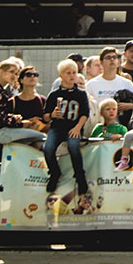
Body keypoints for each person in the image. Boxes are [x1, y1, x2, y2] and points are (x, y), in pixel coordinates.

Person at [42, 59, 93, 210]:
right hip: (57, 128)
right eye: (68, 73)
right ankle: (55, 172)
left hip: (74, 127)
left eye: (74, 73)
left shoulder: (81, 93)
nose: (71, 76)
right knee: (48, 148)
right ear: (61, 75)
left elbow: (85, 114)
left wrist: (78, 128)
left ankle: (80, 176)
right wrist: (52, 115)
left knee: (73, 147)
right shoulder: (54, 94)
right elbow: (45, 115)